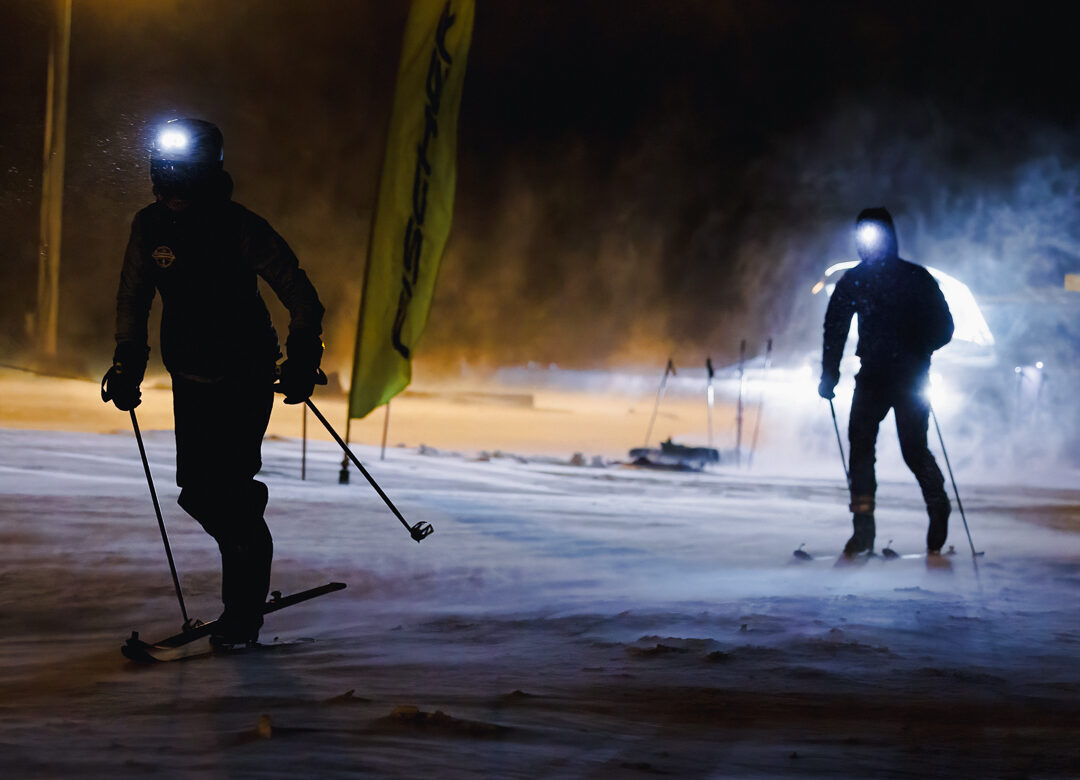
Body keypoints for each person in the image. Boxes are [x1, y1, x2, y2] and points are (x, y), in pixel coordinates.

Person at [103, 118, 325, 646]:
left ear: (207, 178)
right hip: (191, 375)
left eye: (183, 179)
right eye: (163, 177)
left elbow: (300, 294)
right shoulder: (149, 226)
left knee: (228, 490)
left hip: (243, 374)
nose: (171, 192)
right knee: (198, 494)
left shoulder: (239, 227)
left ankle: (242, 612)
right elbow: (133, 296)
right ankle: (246, 563)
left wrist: (300, 356)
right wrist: (128, 358)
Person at [818, 207, 954, 557]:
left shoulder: (915, 278)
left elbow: (944, 329)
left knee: (912, 448)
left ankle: (937, 505)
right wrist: (829, 372)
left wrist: (918, 347)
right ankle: (863, 530)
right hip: (875, 376)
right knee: (862, 449)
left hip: (908, 376)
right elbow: (835, 327)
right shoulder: (857, 279)